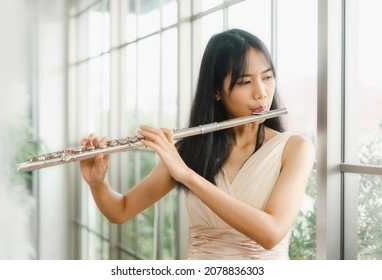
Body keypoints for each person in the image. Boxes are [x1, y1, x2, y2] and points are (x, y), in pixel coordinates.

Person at [79, 29, 315, 260]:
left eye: (267, 77)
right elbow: (120, 211)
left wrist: (187, 175)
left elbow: (271, 233)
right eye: (245, 82)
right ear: (216, 91)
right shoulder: (191, 150)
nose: (262, 93)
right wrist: (98, 183)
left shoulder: (295, 149)